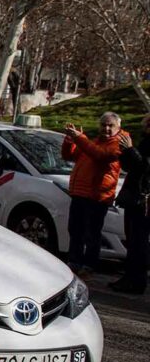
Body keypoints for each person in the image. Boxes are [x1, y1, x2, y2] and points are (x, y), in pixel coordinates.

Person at [62, 112, 128, 277]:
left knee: (92, 233)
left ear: (118, 127)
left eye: (110, 125)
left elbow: (100, 155)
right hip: (80, 193)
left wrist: (80, 138)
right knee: (75, 230)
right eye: (103, 125)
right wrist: (70, 140)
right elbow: (69, 156)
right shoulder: (94, 142)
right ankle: (74, 261)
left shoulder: (119, 144)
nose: (106, 128)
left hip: (97, 196)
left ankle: (89, 265)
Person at [111, 114, 150, 294]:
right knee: (134, 240)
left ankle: (135, 280)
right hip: (136, 197)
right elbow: (132, 167)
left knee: (138, 241)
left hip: (142, 199)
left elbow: (144, 166)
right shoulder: (146, 141)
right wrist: (126, 152)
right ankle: (131, 277)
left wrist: (131, 150)